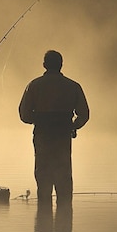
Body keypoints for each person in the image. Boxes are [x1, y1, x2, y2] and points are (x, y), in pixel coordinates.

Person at [19, 50, 89, 205]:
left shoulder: (34, 85)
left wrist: (38, 119)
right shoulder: (73, 86)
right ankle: (64, 222)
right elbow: (84, 114)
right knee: (63, 181)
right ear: (61, 65)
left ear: (44, 65)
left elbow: (24, 114)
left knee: (43, 181)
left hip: (42, 137)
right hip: (62, 138)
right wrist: (72, 126)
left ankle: (43, 221)